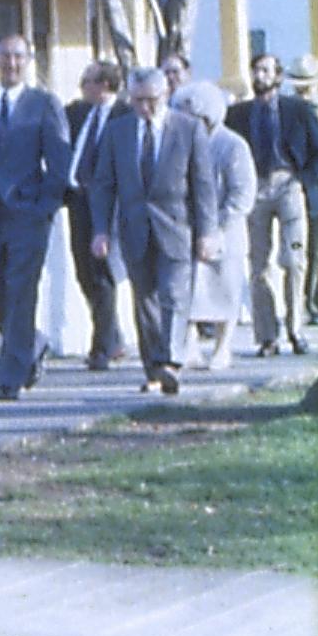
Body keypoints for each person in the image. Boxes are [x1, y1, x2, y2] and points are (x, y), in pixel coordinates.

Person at [0, 32, 73, 401]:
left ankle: (10, 376)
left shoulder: (44, 103)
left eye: (19, 57)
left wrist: (45, 206)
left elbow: (59, 163)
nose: (12, 63)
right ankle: (31, 343)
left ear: (29, 60)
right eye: (5, 56)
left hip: (29, 215)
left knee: (21, 291)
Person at [89, 67, 215, 397]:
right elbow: (103, 184)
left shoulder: (188, 129)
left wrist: (207, 232)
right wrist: (100, 230)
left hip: (177, 227)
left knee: (174, 296)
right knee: (144, 302)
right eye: (138, 100)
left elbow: (203, 185)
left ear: (165, 96)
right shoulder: (118, 131)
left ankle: (171, 362)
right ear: (130, 98)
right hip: (135, 229)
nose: (146, 108)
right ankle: (154, 370)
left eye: (152, 100)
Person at [226, 53, 318, 357]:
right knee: (259, 265)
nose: (260, 76)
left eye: (266, 71)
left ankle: (296, 329)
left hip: (288, 185)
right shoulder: (238, 114)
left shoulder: (298, 111)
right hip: (255, 187)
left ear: (279, 76)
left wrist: (301, 180)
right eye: (256, 70)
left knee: (294, 260)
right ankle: (267, 336)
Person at [178, 78, 258, 370]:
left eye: (193, 116)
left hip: (226, 231)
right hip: (188, 229)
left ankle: (223, 347)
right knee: (188, 291)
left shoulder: (233, 145)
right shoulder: (181, 143)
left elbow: (242, 193)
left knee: (226, 288)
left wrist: (216, 226)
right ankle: (190, 346)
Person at [60, 59, 126, 372]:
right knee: (83, 272)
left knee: (101, 274)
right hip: (79, 200)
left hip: (107, 203)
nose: (81, 87)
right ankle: (112, 334)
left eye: (87, 81)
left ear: (103, 85)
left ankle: (101, 347)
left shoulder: (122, 116)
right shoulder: (79, 114)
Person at [289, 55, 318, 325]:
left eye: (307, 85)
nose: (303, 91)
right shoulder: (290, 110)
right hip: (299, 183)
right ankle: (303, 303)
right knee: (298, 248)